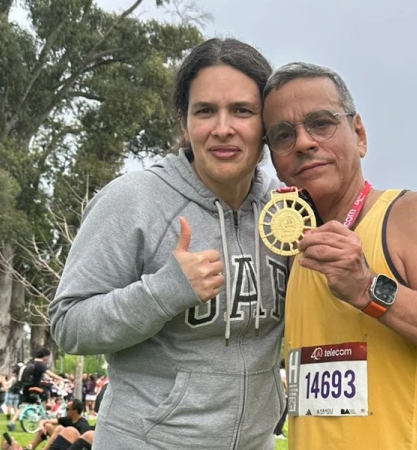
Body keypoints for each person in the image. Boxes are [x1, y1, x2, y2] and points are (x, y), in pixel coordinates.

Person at [50, 39, 286, 449]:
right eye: (205, 110)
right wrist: (163, 292)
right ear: (183, 122)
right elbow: (69, 325)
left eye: (242, 111)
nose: (222, 128)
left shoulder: (284, 211)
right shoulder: (135, 200)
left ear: (265, 123)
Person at [262, 62, 417, 450]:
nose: (303, 142)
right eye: (283, 135)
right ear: (274, 159)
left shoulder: (413, 214)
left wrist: (367, 289)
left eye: (321, 123)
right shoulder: (291, 250)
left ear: (359, 135)